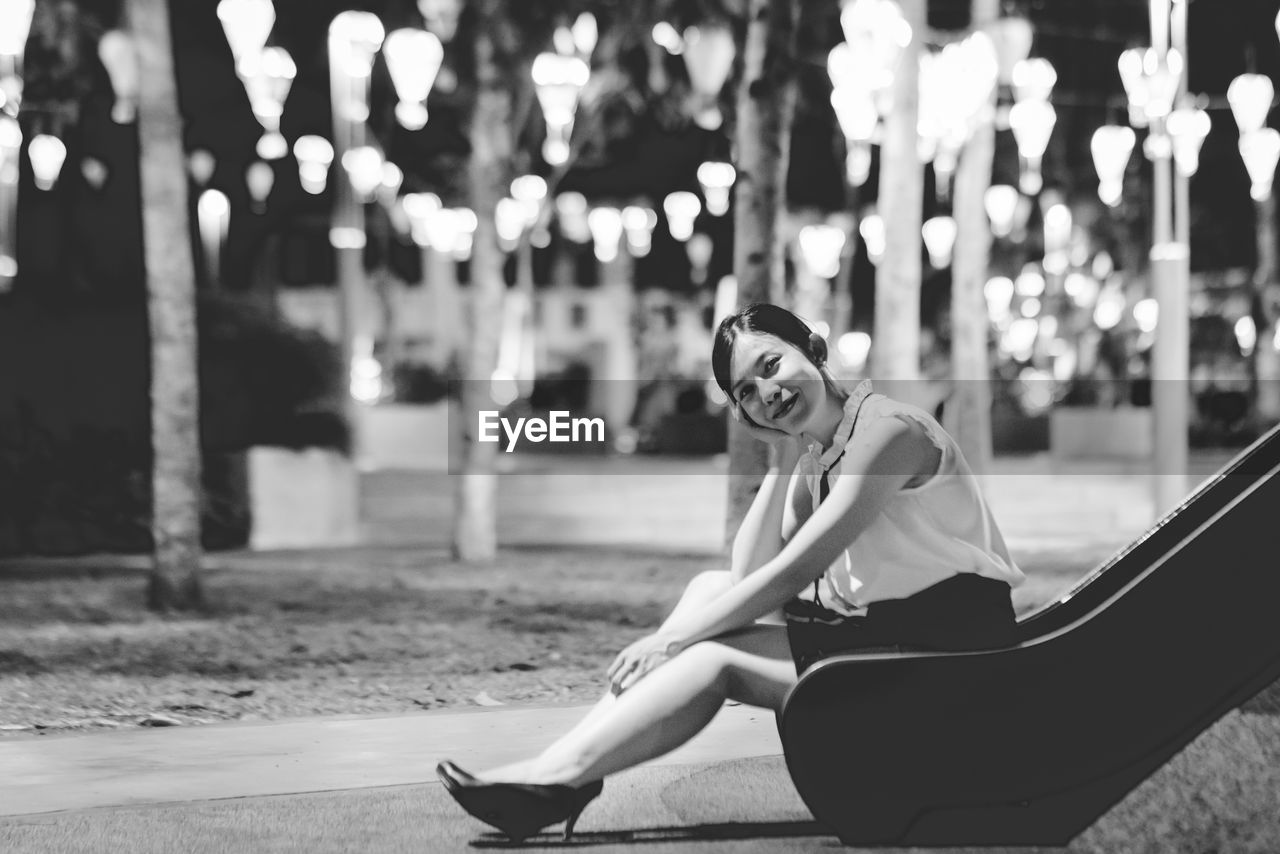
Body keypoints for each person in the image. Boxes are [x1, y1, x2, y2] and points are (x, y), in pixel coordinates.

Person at [437, 302, 1025, 842]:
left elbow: (796, 569)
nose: (767, 392)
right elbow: (747, 576)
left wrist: (673, 639)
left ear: (815, 350)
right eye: (747, 391)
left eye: (772, 365)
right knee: (709, 589)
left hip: (947, 654)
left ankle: (559, 776)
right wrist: (782, 455)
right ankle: (559, 770)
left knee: (708, 655)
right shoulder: (821, 456)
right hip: (887, 641)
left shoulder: (889, 433)